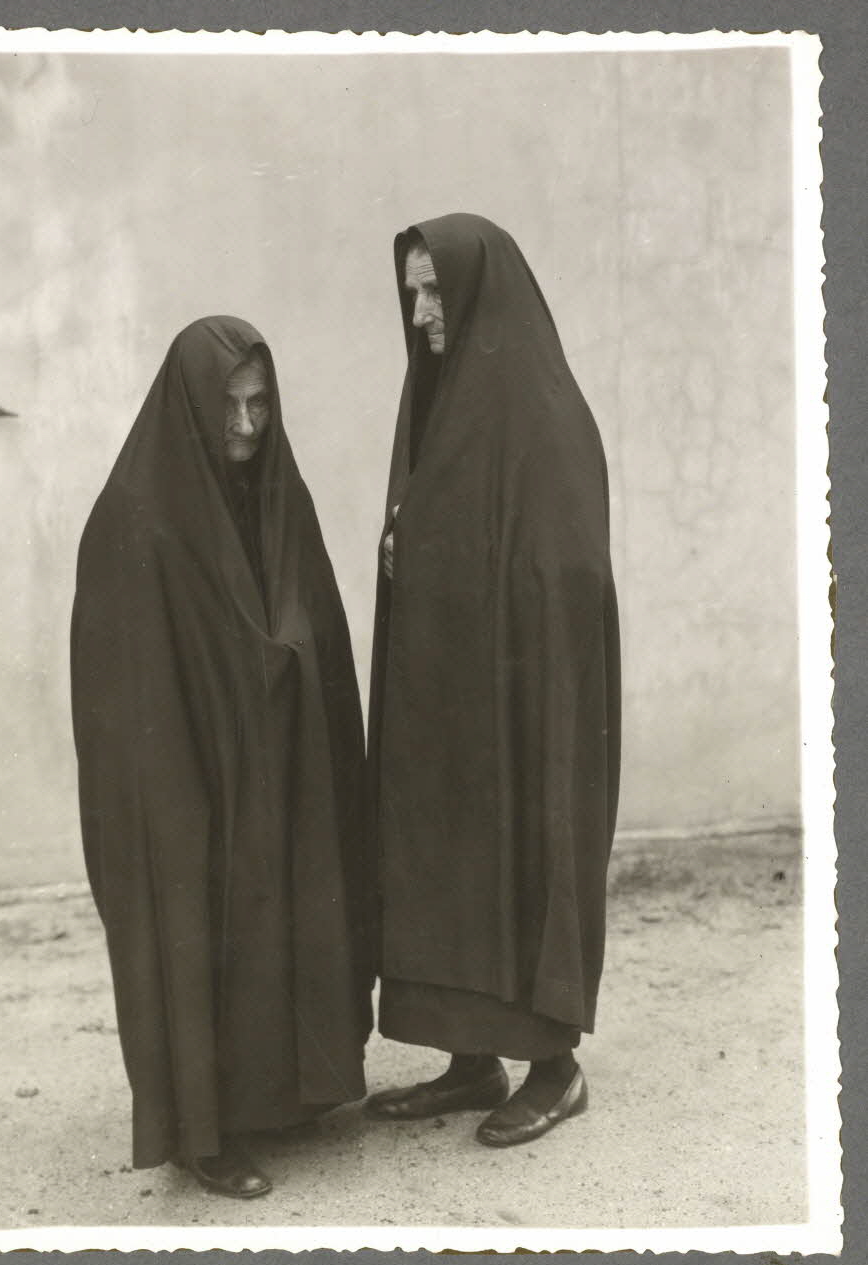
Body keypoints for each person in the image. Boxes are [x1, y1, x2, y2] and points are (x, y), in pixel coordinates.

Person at [71, 316, 373, 1198]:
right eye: (228, 408)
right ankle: (203, 1134)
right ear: (190, 410)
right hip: (188, 770)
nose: (245, 428)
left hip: (278, 757)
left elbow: (313, 613)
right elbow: (126, 683)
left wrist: (281, 663)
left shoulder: (282, 493)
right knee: (197, 920)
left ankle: (284, 1094)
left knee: (285, 911)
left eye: (260, 405)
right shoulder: (137, 514)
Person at [366, 214, 621, 1147]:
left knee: (525, 855)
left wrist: (445, 562)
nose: (421, 309)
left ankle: (554, 1070)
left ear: (479, 290)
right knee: (443, 857)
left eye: (436, 290)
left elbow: (569, 569)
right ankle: (470, 1060)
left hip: (524, 698)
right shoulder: (439, 394)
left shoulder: (540, 409)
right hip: (449, 692)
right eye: (413, 291)